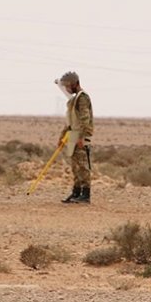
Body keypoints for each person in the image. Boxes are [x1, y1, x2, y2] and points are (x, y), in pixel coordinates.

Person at [55, 71, 93, 204]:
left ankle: (85, 194)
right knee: (75, 166)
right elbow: (70, 122)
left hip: (80, 137)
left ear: (75, 84)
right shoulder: (73, 100)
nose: (66, 88)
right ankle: (76, 192)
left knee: (83, 166)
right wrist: (62, 137)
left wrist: (82, 138)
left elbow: (85, 120)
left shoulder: (82, 98)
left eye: (68, 86)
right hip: (72, 136)